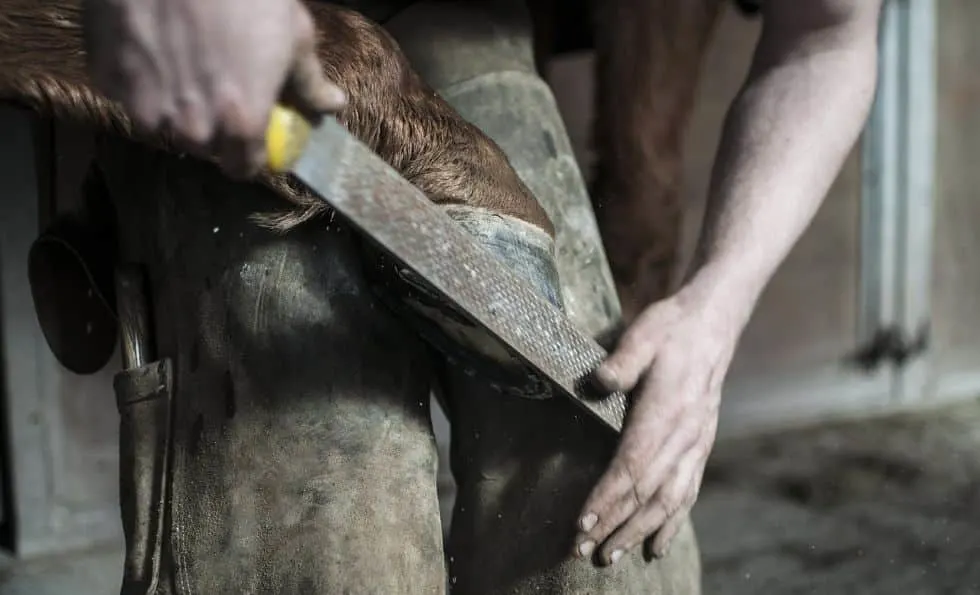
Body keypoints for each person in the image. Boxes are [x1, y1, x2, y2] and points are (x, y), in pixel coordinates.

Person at [22, 0, 878, 590]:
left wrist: (715, 307)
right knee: (323, 533)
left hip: (456, 20)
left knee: (605, 508)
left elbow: (827, 38)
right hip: (216, 51)